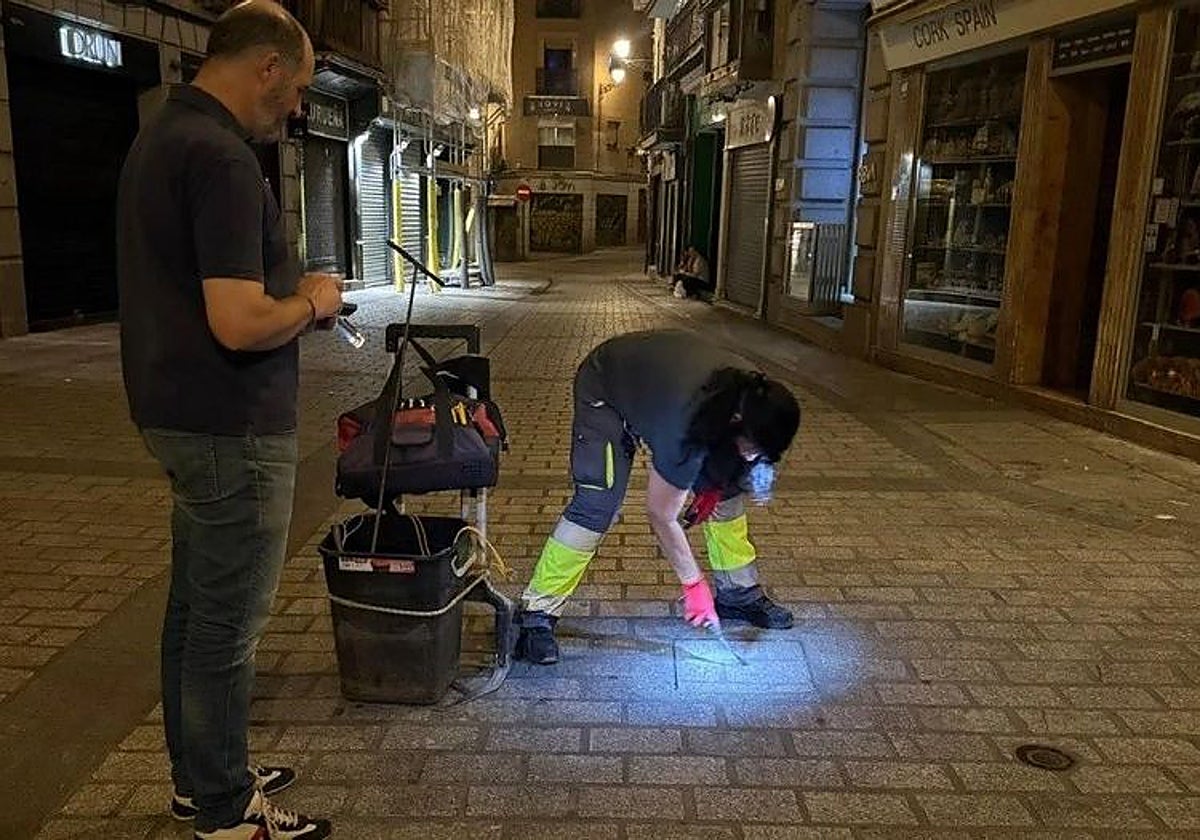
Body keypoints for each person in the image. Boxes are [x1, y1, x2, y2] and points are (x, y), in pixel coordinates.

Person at [117, 2, 339, 838]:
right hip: (229, 424)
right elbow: (240, 321)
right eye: (300, 87)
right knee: (227, 625)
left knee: (193, 610)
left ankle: (201, 773)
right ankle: (222, 809)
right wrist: (313, 303)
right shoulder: (221, 159)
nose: (299, 107)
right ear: (269, 67)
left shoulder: (164, 133)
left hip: (177, 411)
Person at [516, 329, 801, 665]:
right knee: (597, 502)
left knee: (728, 492)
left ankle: (738, 594)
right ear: (736, 420)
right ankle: (537, 613)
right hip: (606, 388)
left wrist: (715, 486)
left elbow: (740, 458)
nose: (753, 458)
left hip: (662, 383)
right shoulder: (682, 424)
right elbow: (660, 515)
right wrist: (693, 585)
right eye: (752, 447)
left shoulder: (757, 397)